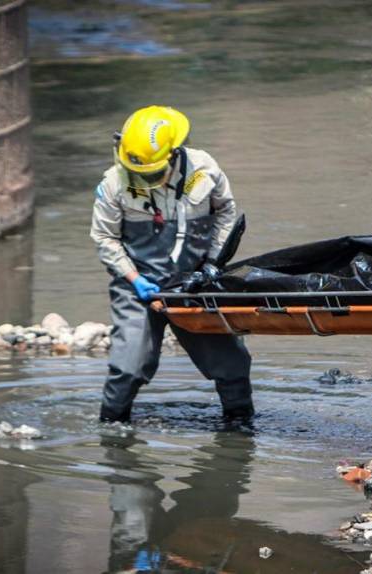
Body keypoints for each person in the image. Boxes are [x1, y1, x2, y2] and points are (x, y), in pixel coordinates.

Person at [90, 105, 253, 423]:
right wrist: (134, 278)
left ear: (174, 154)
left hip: (195, 284)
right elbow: (104, 238)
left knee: (232, 364)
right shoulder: (114, 183)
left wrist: (213, 262)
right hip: (138, 285)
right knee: (128, 366)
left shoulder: (203, 170)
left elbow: (225, 213)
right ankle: (112, 431)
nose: (145, 178)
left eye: (152, 172)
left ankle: (240, 431)